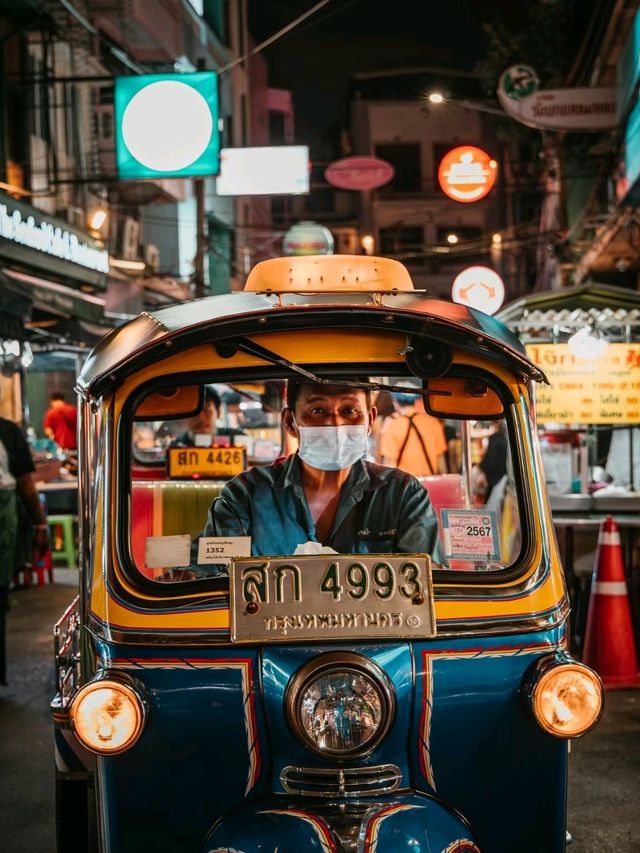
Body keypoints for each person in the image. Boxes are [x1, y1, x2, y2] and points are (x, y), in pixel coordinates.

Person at [202, 380, 437, 558]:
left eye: (349, 411)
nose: (335, 423)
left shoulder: (404, 494)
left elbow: (429, 582)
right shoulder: (245, 495)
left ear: (370, 420)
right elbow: (208, 570)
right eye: (317, 411)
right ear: (289, 422)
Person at [0, 416, 49, 685]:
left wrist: (39, 524)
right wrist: (40, 524)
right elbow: (26, 483)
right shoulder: (7, 430)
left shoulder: (8, 431)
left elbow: (25, 483)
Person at [379, 392, 448, 478]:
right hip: (431, 482)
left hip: (405, 484)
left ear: (395, 403)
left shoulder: (391, 425)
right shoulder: (433, 422)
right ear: (415, 401)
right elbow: (441, 463)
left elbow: (390, 465)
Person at [169, 386, 244, 448]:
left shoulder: (237, 439)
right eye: (193, 411)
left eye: (206, 409)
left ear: (218, 412)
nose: (200, 417)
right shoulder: (176, 447)